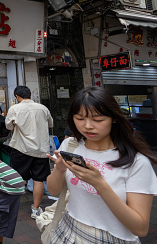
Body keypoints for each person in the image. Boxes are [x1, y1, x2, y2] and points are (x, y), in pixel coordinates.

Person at [47, 86, 157, 243]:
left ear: (114, 118)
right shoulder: (70, 146)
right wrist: (59, 169)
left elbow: (140, 228)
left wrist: (99, 183)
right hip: (69, 230)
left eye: (97, 120)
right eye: (79, 118)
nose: (88, 126)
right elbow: (52, 190)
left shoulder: (136, 162)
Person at [5, 85, 53, 219]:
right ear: (30, 95)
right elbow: (50, 124)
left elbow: (9, 126)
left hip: (21, 148)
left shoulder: (15, 108)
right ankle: (36, 209)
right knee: (38, 179)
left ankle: (11, 206)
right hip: (41, 150)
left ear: (17, 96)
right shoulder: (43, 108)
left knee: (16, 178)